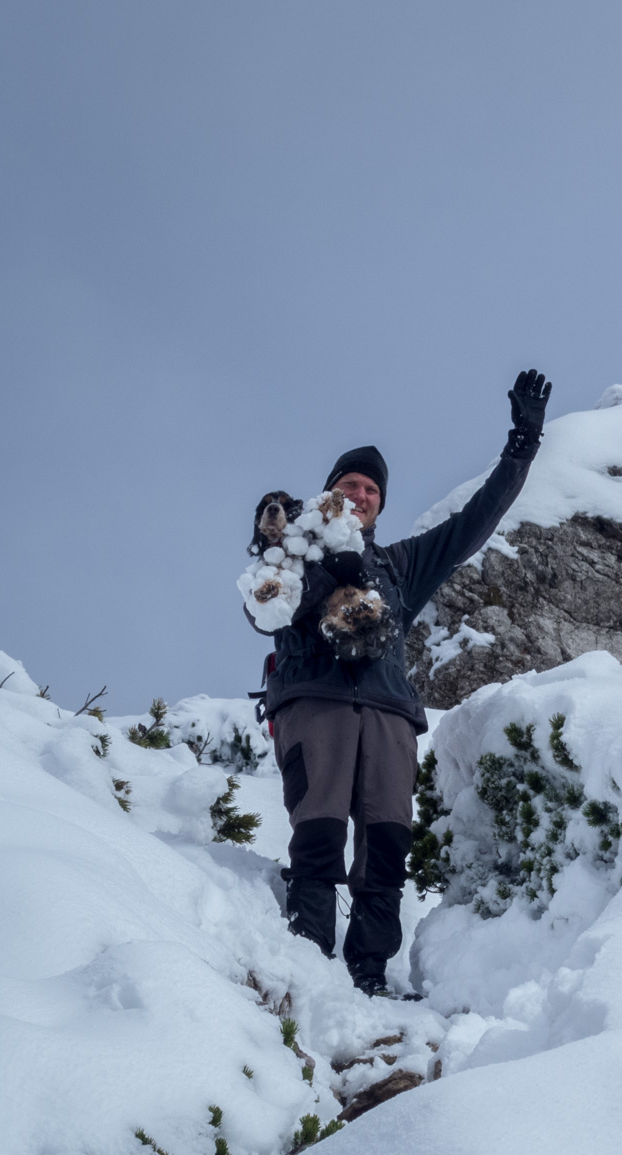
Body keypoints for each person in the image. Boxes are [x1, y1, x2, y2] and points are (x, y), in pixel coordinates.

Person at [249, 369, 550, 996]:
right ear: (328, 494)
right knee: (320, 834)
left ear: (380, 505)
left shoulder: (401, 566)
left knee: (386, 843)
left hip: (387, 715)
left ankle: (368, 974)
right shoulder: (291, 550)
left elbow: (475, 523)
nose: (359, 493)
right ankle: (306, 961)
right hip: (316, 705)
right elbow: (259, 611)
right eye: (348, 484)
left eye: (370, 489)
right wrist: (318, 569)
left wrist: (522, 444)